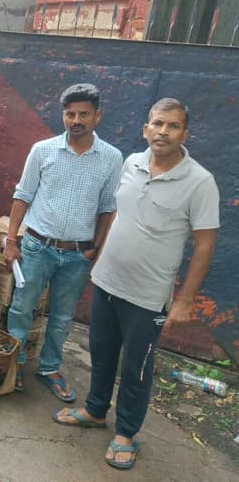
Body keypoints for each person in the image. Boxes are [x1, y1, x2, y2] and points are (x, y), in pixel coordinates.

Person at [52, 98, 219, 470]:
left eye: (173, 126)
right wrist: (99, 255)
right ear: (145, 129)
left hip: (147, 297)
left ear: (185, 134)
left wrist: (185, 300)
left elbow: (205, 244)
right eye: (157, 123)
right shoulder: (131, 164)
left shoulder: (199, 182)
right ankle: (95, 411)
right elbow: (118, 214)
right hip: (108, 282)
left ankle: (126, 433)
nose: (163, 131)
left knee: (136, 368)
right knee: (101, 353)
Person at [4, 83, 123, 401]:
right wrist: (11, 240)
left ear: (97, 116)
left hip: (76, 255)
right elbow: (22, 195)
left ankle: (49, 368)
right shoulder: (42, 150)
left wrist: (94, 249)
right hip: (37, 246)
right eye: (70, 114)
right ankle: (14, 364)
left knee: (61, 317)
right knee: (21, 308)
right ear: (63, 115)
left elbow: (107, 208)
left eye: (84, 114)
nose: (76, 121)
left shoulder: (111, 158)